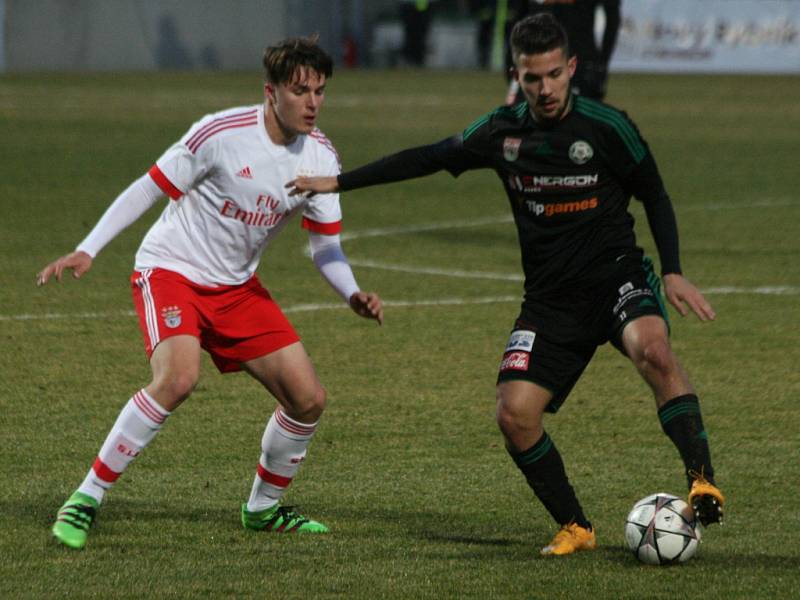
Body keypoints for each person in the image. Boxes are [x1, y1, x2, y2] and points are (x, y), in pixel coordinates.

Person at [287, 13, 724, 556]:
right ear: (516, 73)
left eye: (551, 76)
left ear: (570, 68)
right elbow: (429, 157)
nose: (543, 89)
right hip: (549, 301)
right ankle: (576, 527)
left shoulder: (608, 127)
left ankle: (701, 480)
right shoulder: (502, 131)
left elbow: (654, 194)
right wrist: (338, 181)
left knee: (654, 349)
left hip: (616, 276)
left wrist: (674, 269)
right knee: (514, 414)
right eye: (530, 78)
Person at [37, 36, 384, 550]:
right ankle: (85, 497)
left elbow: (325, 248)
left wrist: (351, 293)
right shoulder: (221, 134)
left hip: (237, 289)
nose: (312, 103)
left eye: (320, 91)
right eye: (299, 90)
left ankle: (262, 511)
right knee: (178, 378)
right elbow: (149, 186)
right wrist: (88, 248)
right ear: (271, 93)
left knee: (308, 399)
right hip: (172, 270)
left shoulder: (320, 160)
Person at [505, 0, 621, 104]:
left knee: (580, 123)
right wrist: (510, 59)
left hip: (579, 65)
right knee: (524, 121)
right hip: (534, 61)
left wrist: (601, 63)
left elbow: (612, 16)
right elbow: (516, 17)